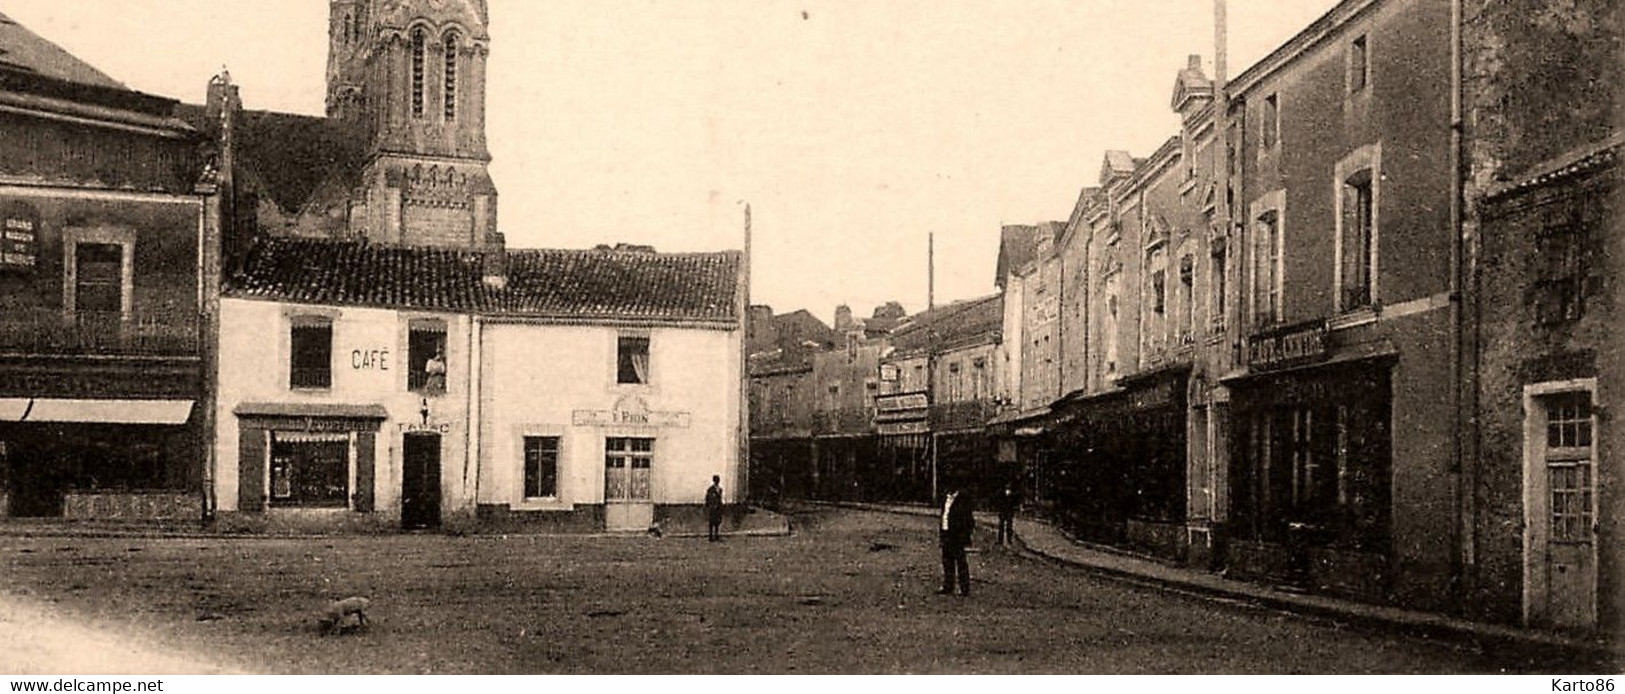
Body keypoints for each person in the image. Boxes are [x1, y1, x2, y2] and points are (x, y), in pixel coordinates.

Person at [938, 483, 975, 596]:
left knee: (960, 561)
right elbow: (944, 515)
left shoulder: (963, 499)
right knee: (947, 561)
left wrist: (965, 535)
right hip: (946, 532)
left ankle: (964, 587)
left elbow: (969, 520)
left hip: (957, 535)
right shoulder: (946, 498)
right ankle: (948, 585)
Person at [996, 481, 1020, 545]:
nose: (1007, 488)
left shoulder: (1012, 495)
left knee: (1009, 527)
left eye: (1009, 487)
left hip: (1009, 512)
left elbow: (1015, 503)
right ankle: (1000, 540)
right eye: (1007, 487)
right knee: (1001, 526)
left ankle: (1009, 540)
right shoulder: (1001, 493)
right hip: (1003, 512)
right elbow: (998, 502)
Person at [704, 475, 724, 542]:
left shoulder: (720, 489)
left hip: (718, 508)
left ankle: (716, 535)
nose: (717, 481)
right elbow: (708, 498)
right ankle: (710, 536)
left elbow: (720, 498)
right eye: (716, 480)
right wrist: (710, 505)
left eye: (718, 480)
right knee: (711, 522)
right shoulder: (710, 489)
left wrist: (721, 506)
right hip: (712, 508)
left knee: (717, 522)